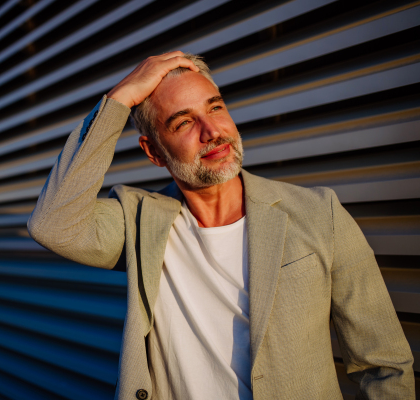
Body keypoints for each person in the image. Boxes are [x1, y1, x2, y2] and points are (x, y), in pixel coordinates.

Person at [28, 52, 414, 400]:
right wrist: (120, 98)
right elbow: (53, 224)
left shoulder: (318, 213)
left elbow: (384, 366)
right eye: (183, 123)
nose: (212, 131)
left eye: (215, 108)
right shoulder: (139, 219)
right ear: (154, 151)